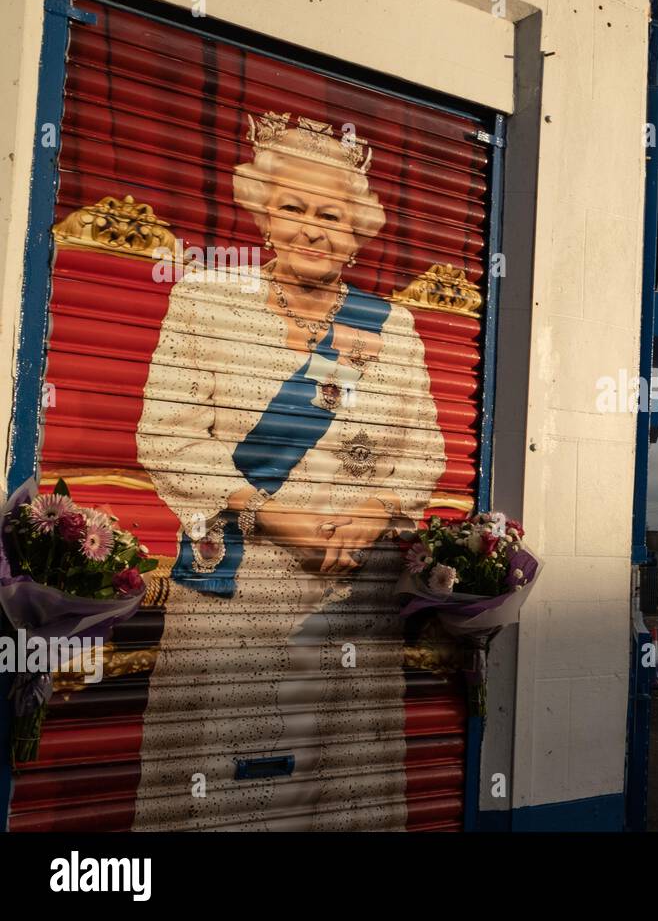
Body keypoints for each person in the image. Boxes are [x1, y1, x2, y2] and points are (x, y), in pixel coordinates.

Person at [133, 112, 447, 829]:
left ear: (360, 229)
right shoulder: (208, 297)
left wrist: (372, 514)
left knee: (337, 785)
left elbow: (424, 452)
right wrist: (276, 515)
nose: (312, 228)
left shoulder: (391, 324)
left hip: (349, 594)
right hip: (236, 588)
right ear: (264, 215)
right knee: (223, 780)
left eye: (331, 214)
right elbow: (167, 438)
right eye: (293, 208)